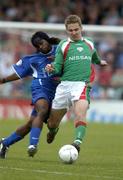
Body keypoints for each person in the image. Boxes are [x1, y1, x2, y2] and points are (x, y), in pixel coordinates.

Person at [45, 14, 107, 153]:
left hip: (81, 85)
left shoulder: (89, 43)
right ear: (67, 30)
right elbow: (58, 65)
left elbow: (95, 56)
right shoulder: (64, 45)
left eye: (76, 29)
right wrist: (51, 68)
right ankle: (53, 131)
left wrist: (99, 62)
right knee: (52, 123)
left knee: (80, 114)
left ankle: (77, 144)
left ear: (81, 28)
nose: (73, 32)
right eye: (70, 30)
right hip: (64, 86)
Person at [0, 31, 60, 159]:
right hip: (40, 88)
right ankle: (32, 146)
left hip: (57, 92)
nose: (40, 47)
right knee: (42, 110)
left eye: (42, 43)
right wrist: (3, 80)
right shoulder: (32, 59)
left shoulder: (61, 50)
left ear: (47, 40)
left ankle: (4, 143)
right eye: (37, 46)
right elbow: (18, 74)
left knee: (32, 124)